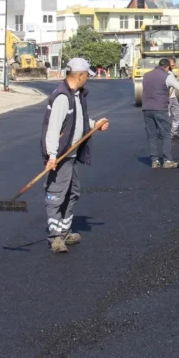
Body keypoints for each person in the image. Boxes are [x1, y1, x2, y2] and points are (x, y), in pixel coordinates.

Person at [41, 57, 110, 254]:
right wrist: (52, 156)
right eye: (87, 75)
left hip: (70, 155)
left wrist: (94, 124)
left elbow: (78, 121)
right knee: (56, 195)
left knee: (72, 193)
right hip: (61, 156)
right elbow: (53, 129)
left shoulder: (76, 95)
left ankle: (64, 232)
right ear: (79, 75)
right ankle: (55, 237)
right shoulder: (63, 97)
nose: (88, 78)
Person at [141, 58, 179, 169]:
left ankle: (155, 161)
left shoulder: (146, 75)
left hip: (147, 109)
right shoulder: (167, 76)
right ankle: (167, 161)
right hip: (160, 109)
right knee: (166, 135)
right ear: (167, 67)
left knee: (152, 135)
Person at [168, 57, 179, 139]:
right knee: (166, 115)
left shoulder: (171, 72)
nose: (172, 66)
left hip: (173, 96)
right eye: (171, 65)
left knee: (178, 113)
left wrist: (176, 75)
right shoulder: (166, 73)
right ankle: (166, 133)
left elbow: (173, 75)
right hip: (166, 98)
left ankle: (173, 131)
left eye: (173, 65)